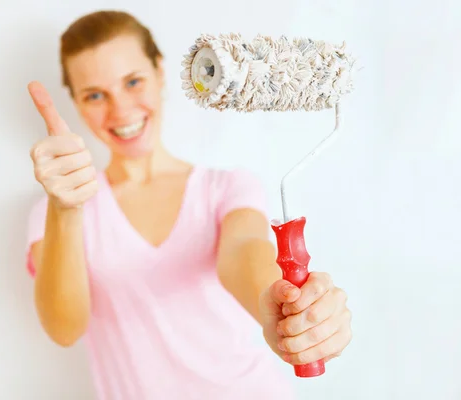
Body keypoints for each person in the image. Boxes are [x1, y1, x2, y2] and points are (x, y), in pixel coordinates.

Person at [24, 9, 352, 399]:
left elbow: (244, 252)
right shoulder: (54, 213)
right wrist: (65, 210)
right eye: (95, 95)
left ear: (160, 72)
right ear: (76, 103)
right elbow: (64, 327)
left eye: (133, 81)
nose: (120, 110)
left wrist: (280, 307)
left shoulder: (225, 187)